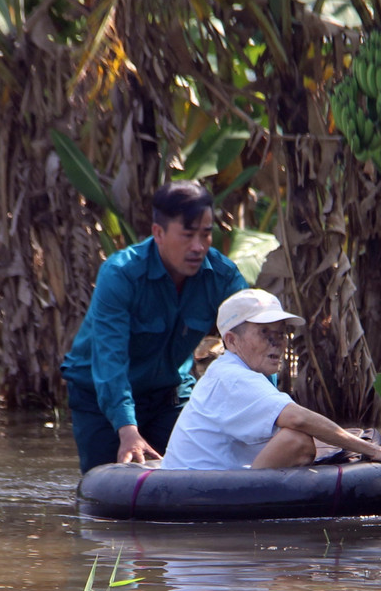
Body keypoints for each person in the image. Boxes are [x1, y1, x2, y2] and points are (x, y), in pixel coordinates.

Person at [62, 180, 248, 473]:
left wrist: (269, 414)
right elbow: (110, 361)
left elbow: (254, 344)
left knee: (192, 476)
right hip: (99, 395)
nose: (198, 247)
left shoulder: (223, 277)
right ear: (158, 233)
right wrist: (127, 429)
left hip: (169, 394)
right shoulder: (120, 274)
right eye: (187, 235)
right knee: (106, 489)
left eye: (206, 234)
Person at [161, 289, 381, 481]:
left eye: (280, 333)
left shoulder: (231, 371)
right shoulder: (233, 377)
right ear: (231, 340)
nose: (278, 343)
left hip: (202, 482)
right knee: (297, 440)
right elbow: (297, 420)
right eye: (264, 333)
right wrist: (374, 451)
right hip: (193, 492)